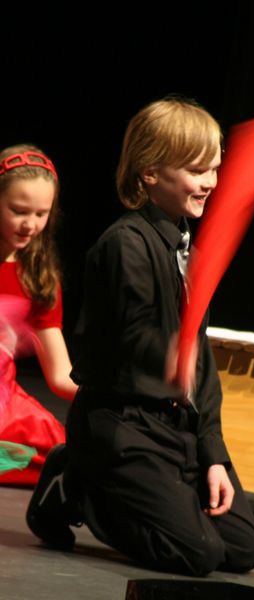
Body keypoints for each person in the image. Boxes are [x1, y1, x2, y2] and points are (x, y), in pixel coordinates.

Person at [26, 98, 254, 575]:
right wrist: (171, 353)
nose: (211, 183)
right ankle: (76, 482)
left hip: (174, 432)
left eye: (215, 169)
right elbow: (131, 337)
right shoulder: (123, 245)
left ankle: (148, 492)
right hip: (124, 426)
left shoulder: (186, 251)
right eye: (198, 170)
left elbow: (203, 368)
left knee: (242, 548)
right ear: (150, 173)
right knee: (199, 554)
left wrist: (212, 454)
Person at [0, 144, 78, 486]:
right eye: (19, 211)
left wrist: (119, 392)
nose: (30, 225)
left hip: (4, 404)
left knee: (63, 453)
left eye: (41, 214)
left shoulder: (40, 278)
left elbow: (61, 375)